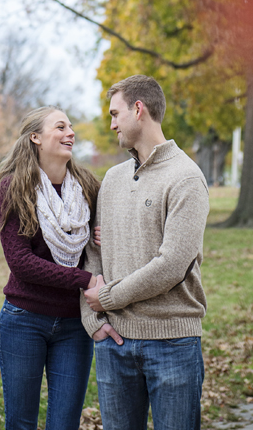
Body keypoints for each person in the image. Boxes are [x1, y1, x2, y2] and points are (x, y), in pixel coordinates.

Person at [81, 75, 209, 430]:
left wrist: (107, 298)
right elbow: (93, 252)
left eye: (115, 114)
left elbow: (171, 265)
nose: (111, 124)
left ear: (139, 110)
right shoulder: (113, 179)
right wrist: (94, 322)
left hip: (172, 343)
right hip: (115, 344)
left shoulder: (186, 178)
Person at [0, 106, 100, 430]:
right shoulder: (14, 188)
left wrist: (107, 233)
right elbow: (21, 263)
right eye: (60, 126)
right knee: (21, 424)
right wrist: (85, 279)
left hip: (74, 326)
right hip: (25, 321)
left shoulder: (88, 187)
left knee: (64, 425)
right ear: (35, 137)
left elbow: (107, 233)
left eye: (71, 127)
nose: (71, 133)